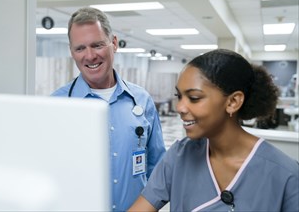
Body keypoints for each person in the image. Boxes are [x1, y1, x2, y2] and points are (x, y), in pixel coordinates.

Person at [128, 49, 299, 211]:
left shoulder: (285, 174)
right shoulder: (179, 156)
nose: (180, 107)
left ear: (233, 102)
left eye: (194, 98)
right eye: (179, 96)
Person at [51, 7, 165, 211]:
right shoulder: (57, 105)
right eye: (80, 48)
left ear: (113, 43)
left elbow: (158, 169)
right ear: (72, 52)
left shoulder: (141, 100)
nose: (90, 56)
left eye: (97, 45)